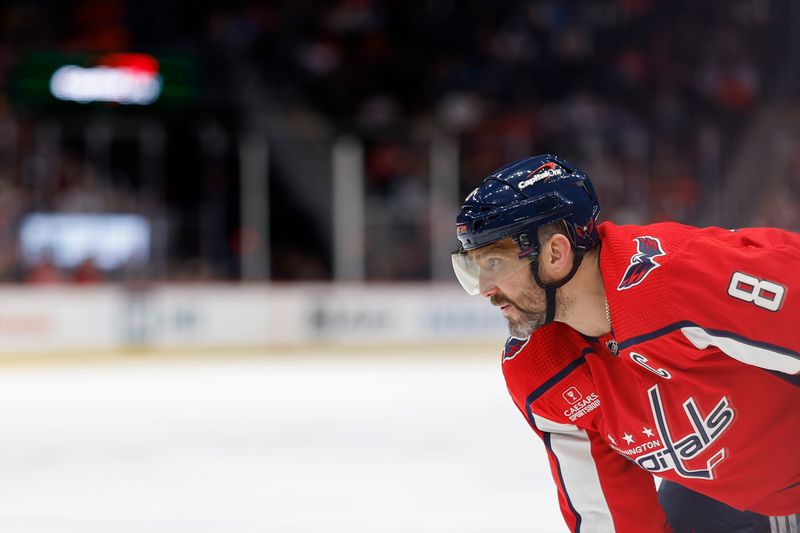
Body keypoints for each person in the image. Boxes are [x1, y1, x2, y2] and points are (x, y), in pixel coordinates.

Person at [451, 154, 800, 532]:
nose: (485, 289)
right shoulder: (537, 370)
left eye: (495, 264)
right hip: (733, 495)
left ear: (555, 253)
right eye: (474, 268)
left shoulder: (681, 278)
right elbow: (612, 519)